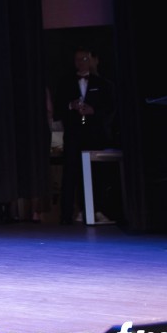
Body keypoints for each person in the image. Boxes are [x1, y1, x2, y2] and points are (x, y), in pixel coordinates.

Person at [52, 46, 118, 224]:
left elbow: (110, 109)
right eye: (78, 59)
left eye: (85, 59)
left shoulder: (103, 84)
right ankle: (68, 214)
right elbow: (58, 108)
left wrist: (93, 111)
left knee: (98, 173)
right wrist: (71, 106)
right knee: (71, 173)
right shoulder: (66, 83)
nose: (81, 63)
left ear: (93, 61)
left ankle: (98, 209)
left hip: (95, 134)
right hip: (73, 134)